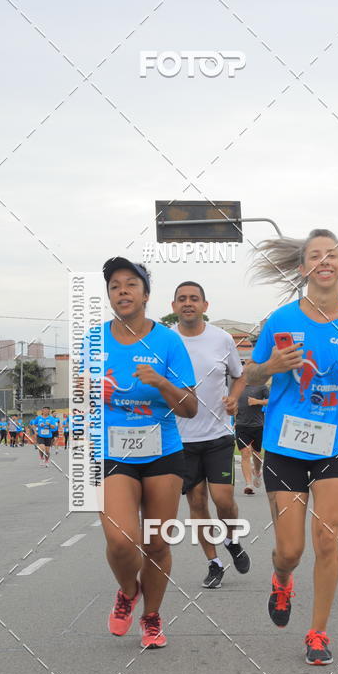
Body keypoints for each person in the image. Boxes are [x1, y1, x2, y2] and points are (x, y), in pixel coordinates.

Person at [245, 230, 338, 665]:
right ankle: (282, 578)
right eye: (316, 256)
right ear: (303, 268)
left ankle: (318, 632)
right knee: (291, 549)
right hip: (284, 446)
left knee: (326, 540)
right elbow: (250, 376)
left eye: (333, 255)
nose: (325, 261)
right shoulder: (281, 319)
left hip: (333, 447)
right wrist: (271, 366)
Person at [95, 258, 197, 649]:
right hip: (112, 452)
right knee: (122, 541)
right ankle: (126, 590)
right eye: (115, 286)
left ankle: (151, 617)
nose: (122, 290)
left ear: (146, 295)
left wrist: (161, 383)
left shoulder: (168, 341)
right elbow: (84, 405)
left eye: (130, 284)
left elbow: (189, 407)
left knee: (156, 542)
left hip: (162, 451)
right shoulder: (93, 341)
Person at [171, 281, 249, 589]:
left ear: (205, 305)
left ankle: (231, 539)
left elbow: (240, 377)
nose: (188, 303)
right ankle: (214, 562)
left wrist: (234, 399)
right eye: (182, 299)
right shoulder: (165, 341)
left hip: (217, 434)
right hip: (181, 440)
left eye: (194, 298)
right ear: (174, 306)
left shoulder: (222, 339)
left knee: (223, 499)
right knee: (197, 502)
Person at [235, 381, 269, 494]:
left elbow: (271, 401)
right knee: (245, 452)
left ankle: (257, 471)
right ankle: (248, 484)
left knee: (256, 453)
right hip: (241, 426)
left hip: (257, 426)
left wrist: (257, 401)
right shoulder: (238, 386)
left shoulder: (262, 386)